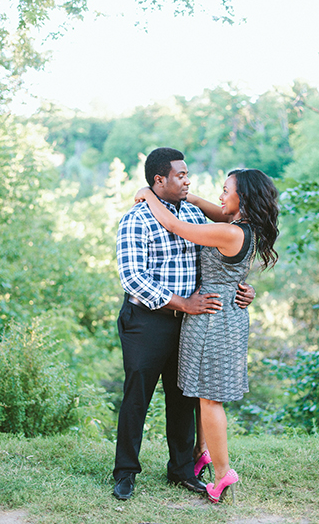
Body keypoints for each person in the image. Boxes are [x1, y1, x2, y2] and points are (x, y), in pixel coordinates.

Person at [112, 147, 255, 501]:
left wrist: (241, 287)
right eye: (180, 175)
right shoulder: (136, 218)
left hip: (190, 323)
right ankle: (125, 472)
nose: (187, 180)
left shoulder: (192, 213)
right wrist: (183, 303)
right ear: (159, 179)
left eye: (187, 173)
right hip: (146, 320)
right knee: (137, 398)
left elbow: (222, 257)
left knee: (184, 397)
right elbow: (133, 278)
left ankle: (180, 470)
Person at [135, 167, 278, 503]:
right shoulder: (244, 226)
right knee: (202, 392)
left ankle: (223, 472)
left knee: (209, 397)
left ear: (243, 197)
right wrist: (188, 196)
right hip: (225, 314)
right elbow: (206, 207)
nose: (220, 195)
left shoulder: (229, 233)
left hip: (213, 319)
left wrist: (149, 194)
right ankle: (203, 453)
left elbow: (174, 225)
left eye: (225, 189)